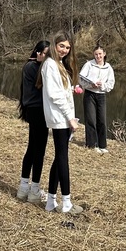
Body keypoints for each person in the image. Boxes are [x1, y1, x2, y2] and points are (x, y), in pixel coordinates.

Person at [38, 31, 83, 214]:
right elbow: (54, 95)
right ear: (54, 45)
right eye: (61, 46)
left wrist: (72, 88)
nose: (64, 50)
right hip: (60, 119)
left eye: (67, 47)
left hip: (63, 117)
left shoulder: (59, 65)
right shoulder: (50, 65)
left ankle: (50, 202)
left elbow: (60, 90)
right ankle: (66, 203)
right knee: (63, 158)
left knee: (59, 158)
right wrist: (70, 117)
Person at [16, 40, 51, 204]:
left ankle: (24, 187)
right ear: (37, 53)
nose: (45, 57)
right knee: (39, 150)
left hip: (33, 110)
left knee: (32, 147)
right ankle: (34, 189)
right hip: (38, 111)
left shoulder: (32, 67)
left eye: (48, 54)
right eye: (43, 53)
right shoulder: (33, 67)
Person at [79, 44, 116, 153]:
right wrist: (91, 85)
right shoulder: (88, 65)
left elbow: (111, 84)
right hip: (89, 95)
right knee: (91, 120)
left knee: (102, 121)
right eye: (96, 54)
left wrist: (102, 86)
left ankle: (102, 145)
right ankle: (91, 144)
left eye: (100, 54)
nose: (98, 56)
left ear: (104, 54)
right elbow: (81, 79)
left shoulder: (108, 68)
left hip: (101, 95)